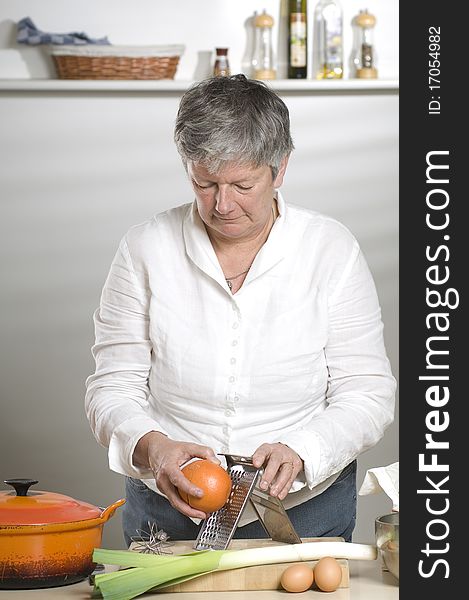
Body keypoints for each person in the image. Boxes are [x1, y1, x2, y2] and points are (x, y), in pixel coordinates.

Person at [85, 74, 396, 547]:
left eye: (242, 184)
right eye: (204, 183)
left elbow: (368, 393)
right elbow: (111, 388)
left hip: (305, 506)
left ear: (280, 168)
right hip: (169, 504)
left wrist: (303, 449)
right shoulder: (144, 248)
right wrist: (155, 448)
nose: (222, 204)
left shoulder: (331, 250)